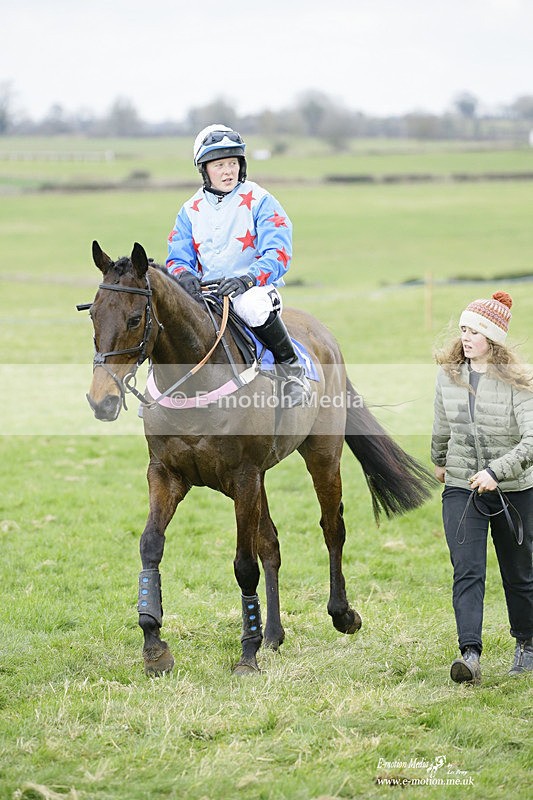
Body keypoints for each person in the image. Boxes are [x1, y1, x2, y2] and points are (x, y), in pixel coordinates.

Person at [166, 123, 311, 407]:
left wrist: (248, 279)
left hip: (253, 289)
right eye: (219, 165)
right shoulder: (189, 210)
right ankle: (161, 389)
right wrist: (184, 275)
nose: (228, 171)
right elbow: (177, 257)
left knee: (253, 307)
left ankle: (292, 370)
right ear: (204, 170)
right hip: (207, 294)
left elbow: (278, 252)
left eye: (233, 163)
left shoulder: (261, 200)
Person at [431, 291, 533, 684]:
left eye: (475, 331)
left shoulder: (519, 382)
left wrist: (495, 471)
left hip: (514, 489)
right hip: (463, 486)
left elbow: (530, 442)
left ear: (493, 338)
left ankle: (526, 643)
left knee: (519, 572)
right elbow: (442, 424)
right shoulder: (449, 376)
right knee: (467, 570)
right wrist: (440, 459)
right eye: (463, 329)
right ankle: (469, 655)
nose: (466, 337)